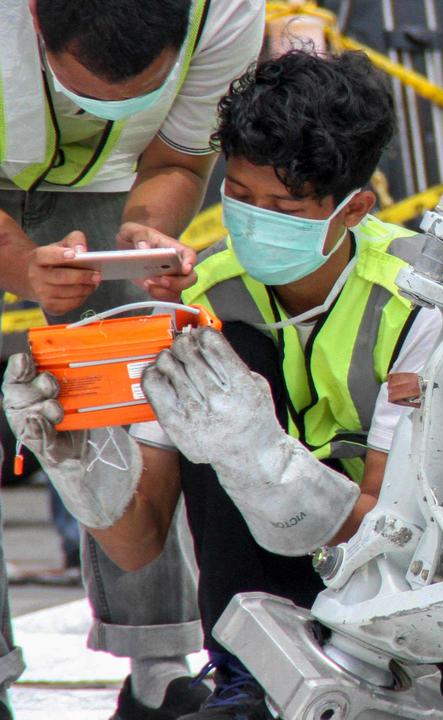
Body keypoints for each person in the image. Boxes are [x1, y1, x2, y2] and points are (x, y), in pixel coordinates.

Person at [5, 50, 443, 720]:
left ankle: (426, 690)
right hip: (314, 555)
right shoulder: (204, 300)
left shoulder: (425, 302)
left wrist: (264, 460)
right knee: (223, 359)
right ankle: (247, 681)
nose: (255, 216)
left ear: (353, 210)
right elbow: (140, 540)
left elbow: (394, 535)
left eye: (285, 204)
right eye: (238, 194)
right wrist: (80, 463)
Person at [0, 1, 264, 718]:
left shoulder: (225, 12)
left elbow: (178, 157)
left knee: (141, 390)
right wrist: (23, 267)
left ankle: (157, 665)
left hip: (111, 179)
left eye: (138, 88)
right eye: (83, 86)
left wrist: (147, 231)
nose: (103, 106)